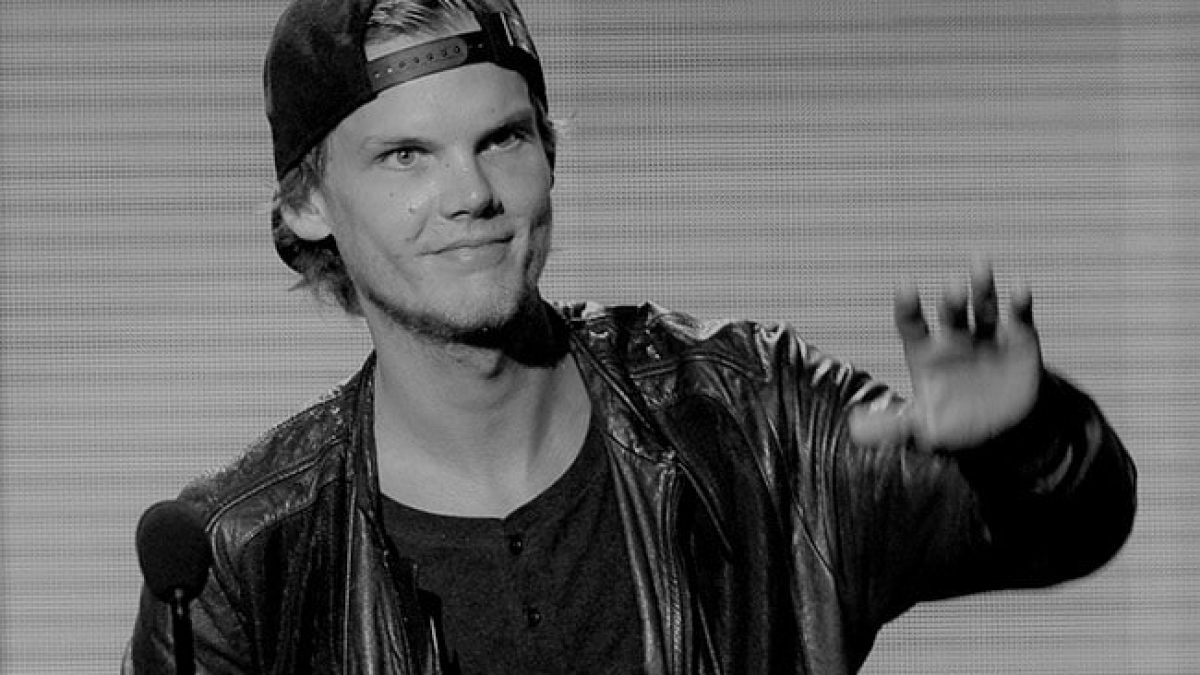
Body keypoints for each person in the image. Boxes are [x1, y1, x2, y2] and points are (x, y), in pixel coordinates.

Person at [126, 0, 1137, 672]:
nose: (472, 193)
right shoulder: (241, 557)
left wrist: (1022, 440)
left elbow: (1069, 526)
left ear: (549, 155)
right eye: (406, 156)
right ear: (306, 205)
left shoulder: (748, 413)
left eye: (502, 138)